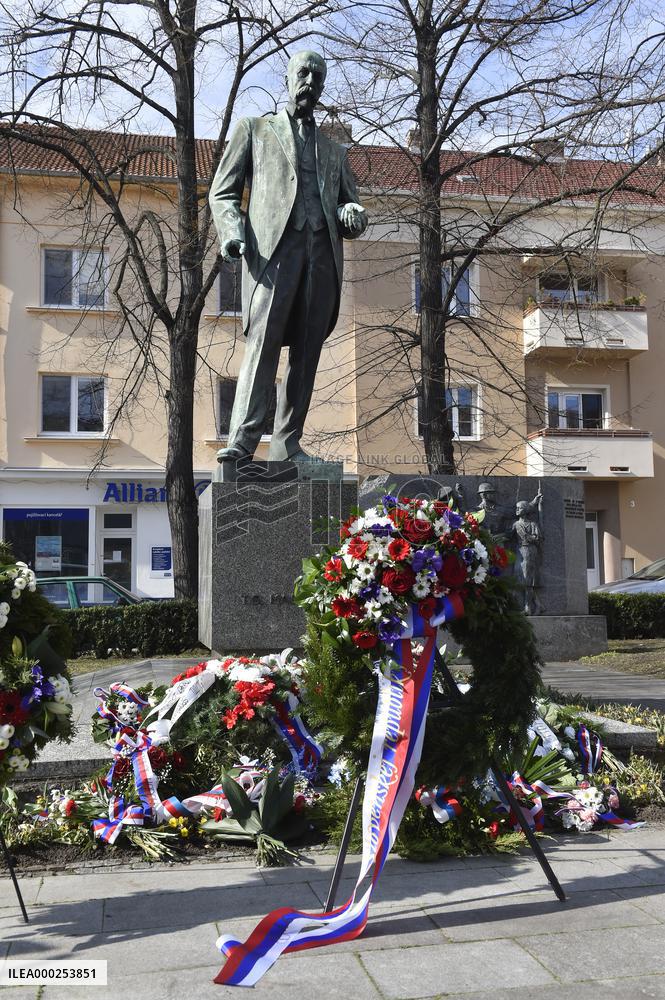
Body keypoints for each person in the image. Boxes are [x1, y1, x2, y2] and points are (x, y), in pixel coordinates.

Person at [209, 50, 368, 464]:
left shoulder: (335, 151)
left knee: (306, 354)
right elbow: (222, 192)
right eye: (304, 73)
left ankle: (287, 444)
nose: (310, 82)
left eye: (318, 76)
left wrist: (351, 214)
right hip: (273, 253)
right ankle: (242, 442)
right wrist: (231, 233)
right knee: (262, 345)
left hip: (321, 257)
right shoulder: (255, 130)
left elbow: (350, 208)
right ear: (287, 77)